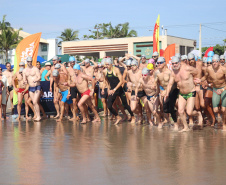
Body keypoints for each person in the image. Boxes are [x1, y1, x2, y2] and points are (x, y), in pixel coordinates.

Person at [165, 56, 203, 132]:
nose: (174, 65)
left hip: (190, 92)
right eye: (173, 64)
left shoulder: (187, 68)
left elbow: (197, 71)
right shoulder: (173, 72)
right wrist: (166, 94)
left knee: (189, 112)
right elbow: (170, 84)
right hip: (182, 94)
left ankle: (198, 114)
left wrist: (197, 80)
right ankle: (186, 127)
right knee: (180, 111)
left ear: (179, 63)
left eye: (176, 63)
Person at [102, 58, 135, 124]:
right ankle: (118, 117)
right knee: (109, 106)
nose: (106, 66)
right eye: (106, 65)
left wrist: (114, 89)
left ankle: (132, 116)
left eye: (108, 64)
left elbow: (121, 81)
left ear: (111, 64)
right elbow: (106, 81)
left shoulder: (116, 70)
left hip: (119, 89)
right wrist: (108, 89)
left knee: (125, 104)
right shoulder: (105, 71)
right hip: (112, 90)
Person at [201, 54, 226, 130]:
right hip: (215, 89)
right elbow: (205, 77)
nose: (214, 63)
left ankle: (224, 124)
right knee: (215, 110)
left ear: (219, 62)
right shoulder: (209, 69)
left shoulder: (224, 69)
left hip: (223, 88)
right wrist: (200, 80)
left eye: (216, 62)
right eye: (213, 62)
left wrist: (222, 90)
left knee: (223, 109)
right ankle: (218, 119)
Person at [156, 57, 175, 124]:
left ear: (164, 63)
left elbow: (172, 84)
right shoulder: (157, 73)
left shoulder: (169, 72)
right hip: (162, 91)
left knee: (172, 107)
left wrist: (166, 91)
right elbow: (155, 83)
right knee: (162, 107)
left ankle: (175, 121)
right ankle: (168, 120)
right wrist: (157, 92)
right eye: (157, 63)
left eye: (160, 63)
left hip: (171, 91)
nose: (159, 64)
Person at [23, 56, 41, 121]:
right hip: (30, 87)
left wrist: (36, 80)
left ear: (31, 62)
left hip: (37, 86)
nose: (29, 63)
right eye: (28, 61)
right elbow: (24, 79)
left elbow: (39, 77)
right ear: (26, 62)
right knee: (34, 103)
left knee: (35, 101)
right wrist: (24, 82)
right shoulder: (24, 71)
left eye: (30, 61)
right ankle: (36, 115)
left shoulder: (35, 69)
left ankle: (39, 116)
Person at [67, 56, 79, 120]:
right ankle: (76, 115)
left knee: (80, 102)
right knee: (74, 102)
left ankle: (86, 116)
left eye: (73, 62)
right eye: (71, 62)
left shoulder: (78, 67)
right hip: (73, 87)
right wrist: (69, 90)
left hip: (79, 86)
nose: (72, 63)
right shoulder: (68, 69)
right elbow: (68, 80)